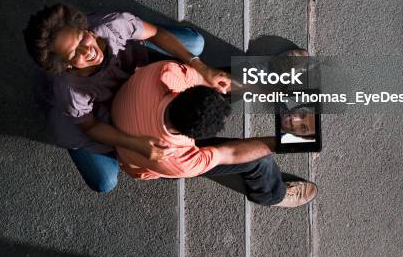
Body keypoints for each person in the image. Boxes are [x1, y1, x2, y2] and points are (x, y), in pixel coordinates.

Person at [23, 3, 230, 193]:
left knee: (194, 44)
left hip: (132, 68)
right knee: (104, 182)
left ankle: (137, 27)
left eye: (81, 38)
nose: (88, 50)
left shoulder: (113, 24)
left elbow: (156, 33)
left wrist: (201, 67)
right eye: (74, 52)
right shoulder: (70, 92)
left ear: (84, 28)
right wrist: (133, 144)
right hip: (89, 115)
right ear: (67, 65)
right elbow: (91, 127)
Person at [111, 59, 318, 207]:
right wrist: (280, 142)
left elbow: (214, 82)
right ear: (198, 139)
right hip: (151, 160)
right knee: (259, 160)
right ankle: (273, 194)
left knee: (220, 79)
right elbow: (230, 154)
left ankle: (275, 80)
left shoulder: (165, 74)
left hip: (131, 110)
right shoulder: (177, 159)